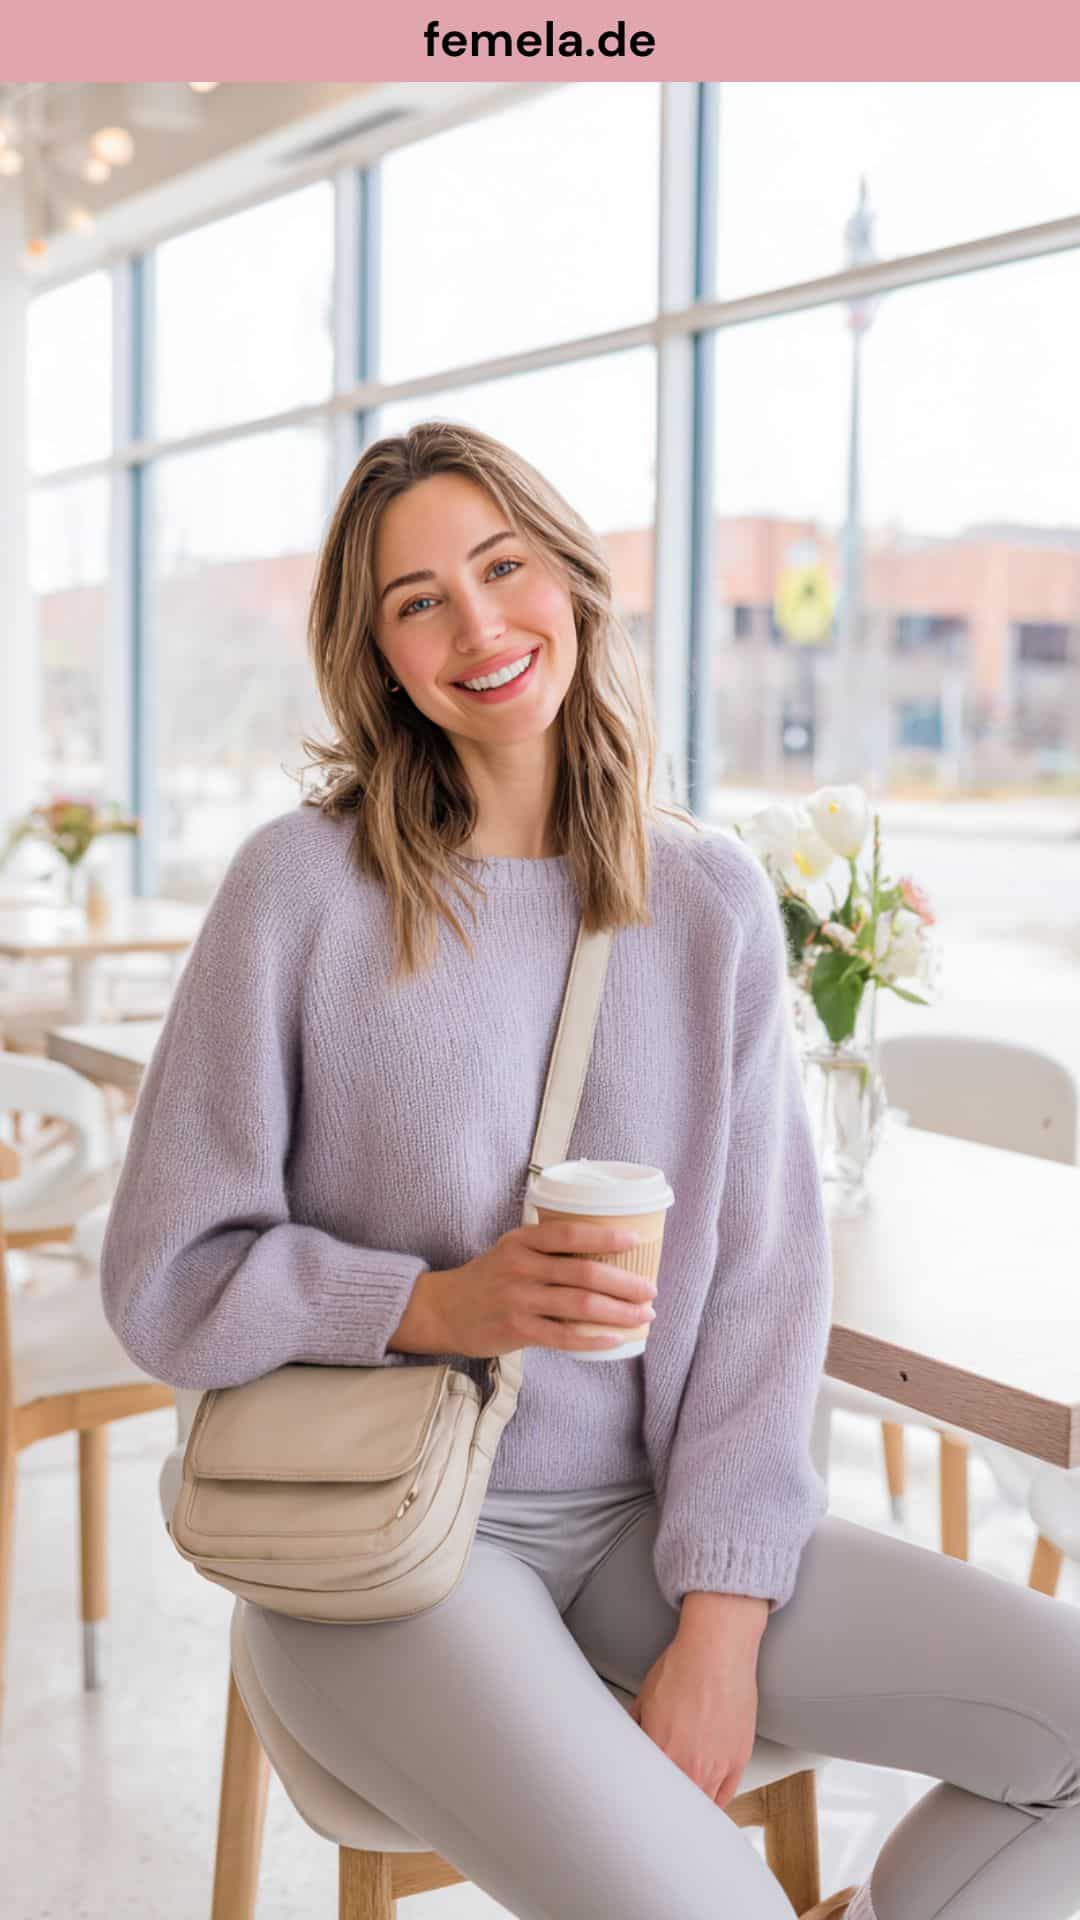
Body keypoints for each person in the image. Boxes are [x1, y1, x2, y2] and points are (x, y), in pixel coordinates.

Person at [101, 421, 1080, 1920]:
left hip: (647, 1525)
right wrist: (437, 1304)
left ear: (571, 577)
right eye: (419, 599)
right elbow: (164, 1282)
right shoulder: (298, 891)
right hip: (383, 1542)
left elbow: (762, 1289)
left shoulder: (709, 900)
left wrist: (726, 1619)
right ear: (376, 654)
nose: (479, 625)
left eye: (502, 567)